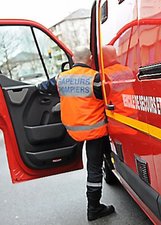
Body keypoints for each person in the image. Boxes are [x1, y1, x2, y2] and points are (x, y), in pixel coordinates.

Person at [38, 46, 115, 221]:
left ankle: (97, 200)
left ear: (73, 58)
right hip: (95, 132)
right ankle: (94, 208)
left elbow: (41, 87)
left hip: (71, 132)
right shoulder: (95, 78)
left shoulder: (61, 79)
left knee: (94, 168)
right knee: (94, 169)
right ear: (90, 58)